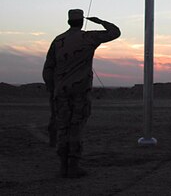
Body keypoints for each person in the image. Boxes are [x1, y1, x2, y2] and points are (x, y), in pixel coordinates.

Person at [42, 9, 121, 178]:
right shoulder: (88, 37)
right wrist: (100, 21)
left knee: (63, 126)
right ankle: (73, 165)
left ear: (69, 21)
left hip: (60, 91)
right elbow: (115, 32)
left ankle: (63, 165)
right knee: (76, 127)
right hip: (80, 91)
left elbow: (48, 68)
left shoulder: (58, 40)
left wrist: (52, 88)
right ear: (81, 21)